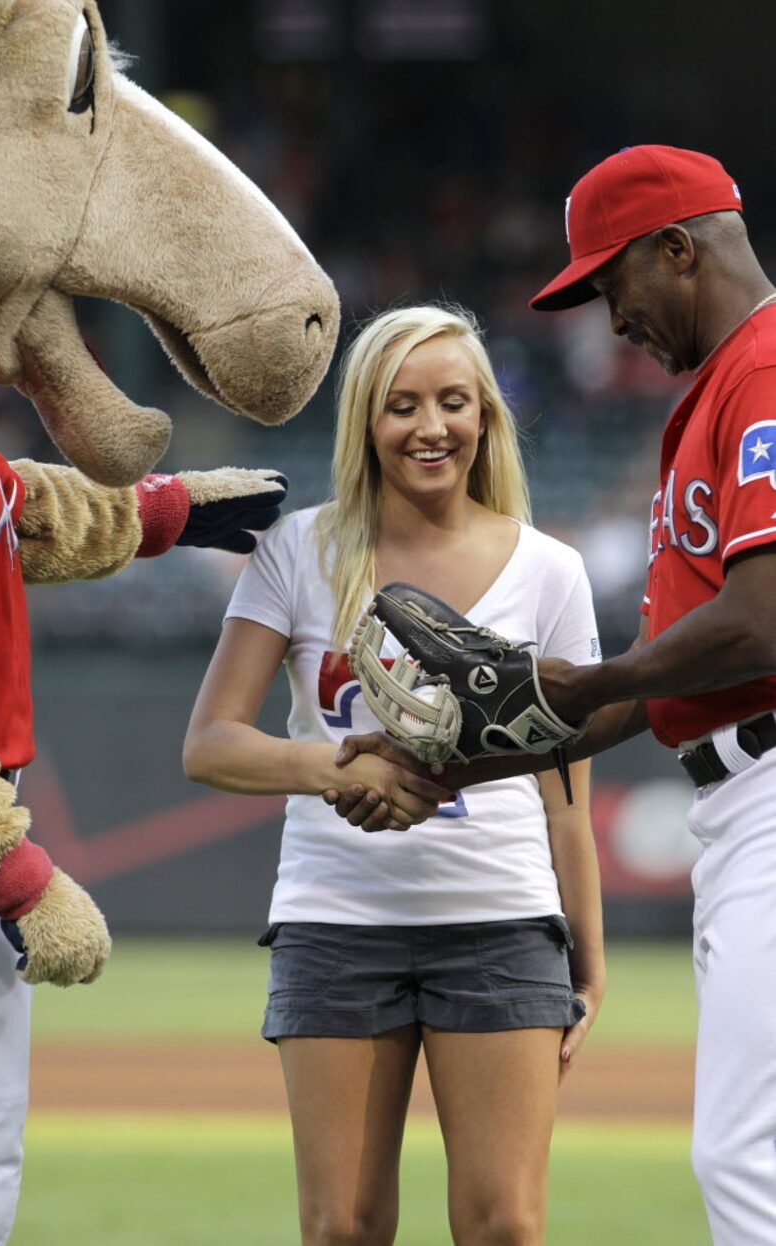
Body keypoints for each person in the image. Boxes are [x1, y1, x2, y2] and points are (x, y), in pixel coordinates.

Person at [329, 146, 776, 1246]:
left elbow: (762, 620)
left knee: (743, 1151)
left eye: (607, 282)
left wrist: (580, 676)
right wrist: (455, 767)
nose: (606, 317)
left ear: (676, 250)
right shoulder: (718, 390)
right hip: (737, 787)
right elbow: (662, 676)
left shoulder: (762, 371)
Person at [183, 305, 605, 1246]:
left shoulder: (551, 570)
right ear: (365, 423)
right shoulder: (300, 548)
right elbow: (210, 743)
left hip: (500, 921)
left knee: (504, 1227)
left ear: (486, 417)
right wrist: (339, 765)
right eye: (401, 405)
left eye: (454, 402)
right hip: (336, 924)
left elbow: (564, 794)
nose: (430, 426)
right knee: (343, 1228)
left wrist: (591, 959)